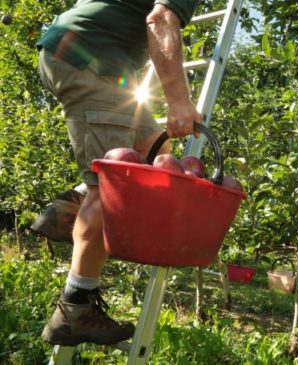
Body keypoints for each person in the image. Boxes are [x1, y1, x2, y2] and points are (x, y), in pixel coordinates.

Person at [37, 0, 202, 346]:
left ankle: (67, 211)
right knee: (112, 187)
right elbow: (160, 19)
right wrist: (179, 100)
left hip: (83, 53)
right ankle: (75, 308)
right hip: (89, 58)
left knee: (156, 150)